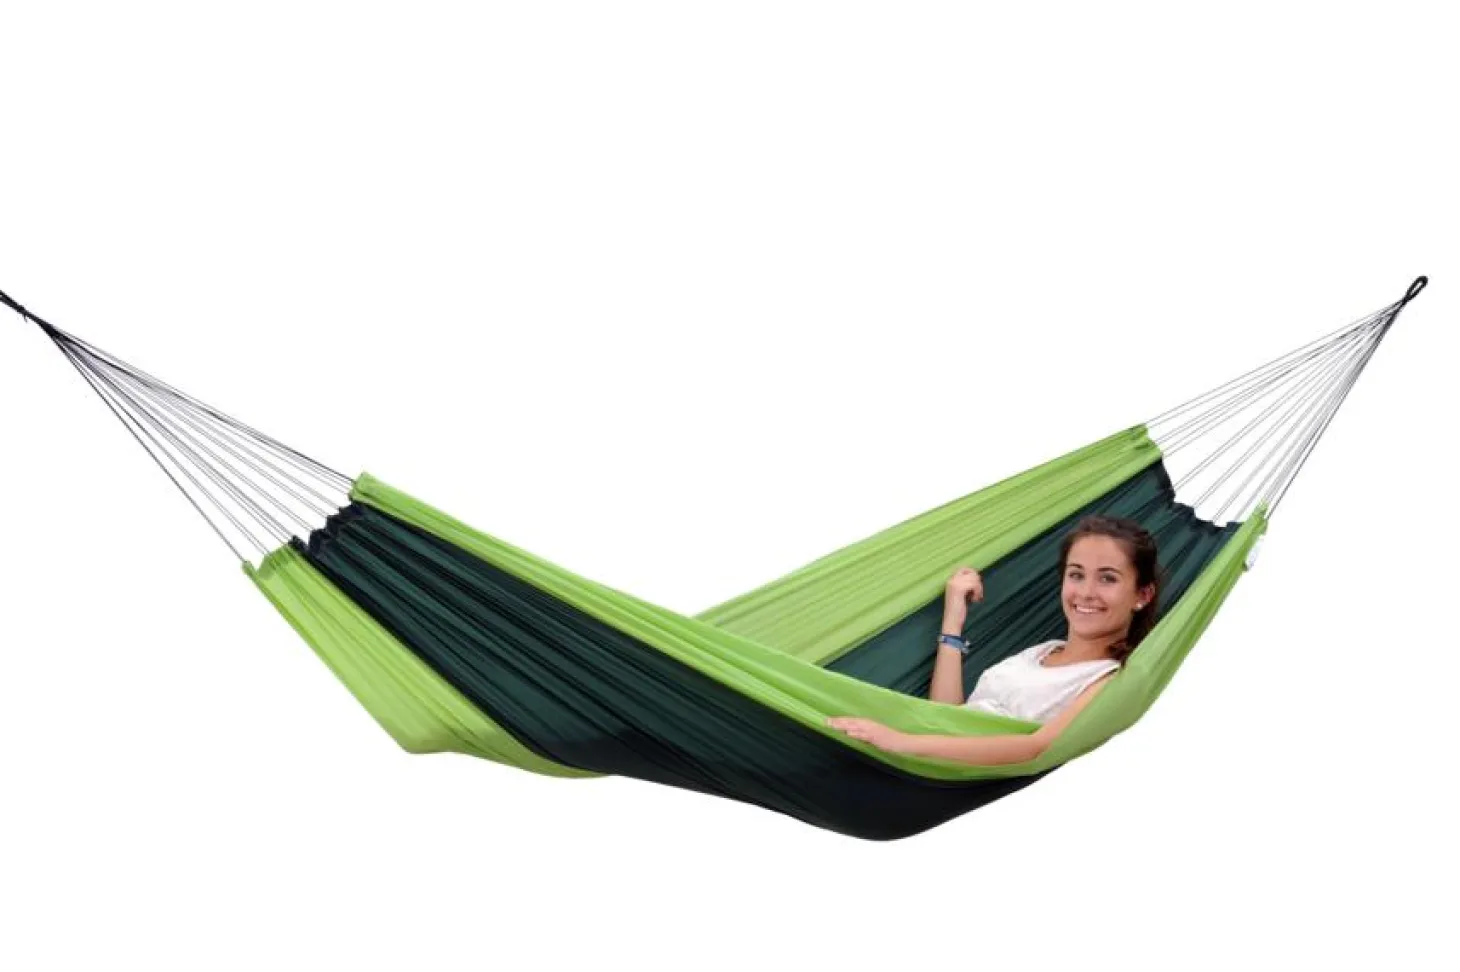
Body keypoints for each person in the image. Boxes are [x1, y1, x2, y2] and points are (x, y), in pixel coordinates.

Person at [826, 515, 1161, 766]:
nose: (1085, 592)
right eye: (1076, 574)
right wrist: (953, 620)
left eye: (1107, 579)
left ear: (1142, 595)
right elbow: (946, 718)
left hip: (931, 767)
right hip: (925, 755)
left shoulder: (1109, 680)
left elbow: (1037, 748)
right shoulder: (1043, 651)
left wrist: (900, 742)